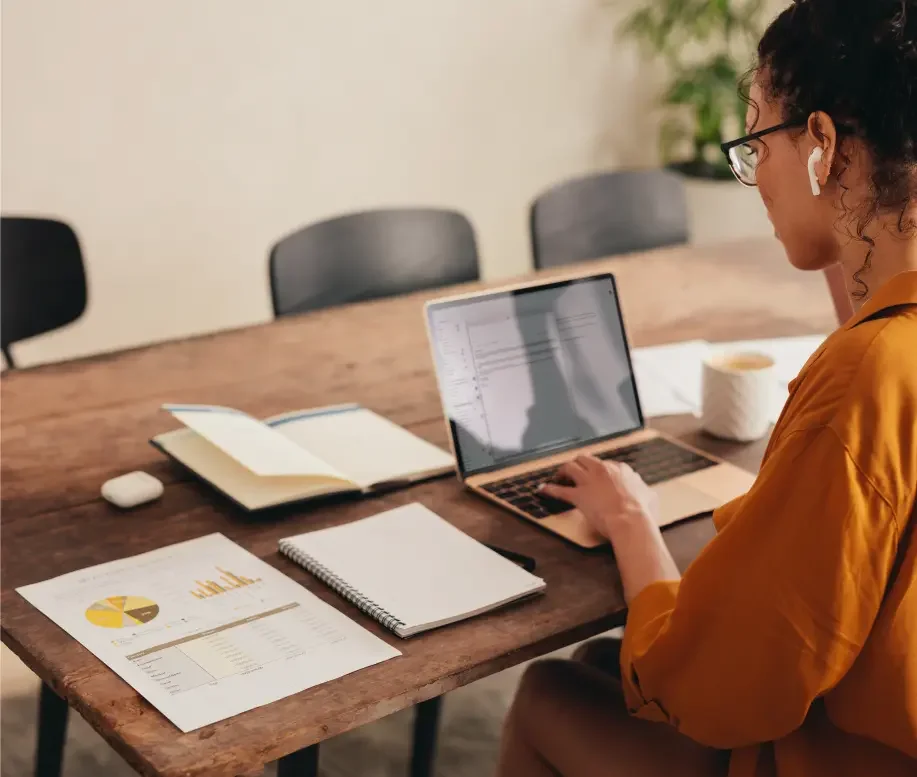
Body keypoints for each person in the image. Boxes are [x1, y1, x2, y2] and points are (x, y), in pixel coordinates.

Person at [496, 1, 917, 775]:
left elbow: (719, 684)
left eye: (757, 138)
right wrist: (846, 229)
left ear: (822, 144)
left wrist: (630, 524)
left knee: (548, 691)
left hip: (838, 757)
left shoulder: (868, 375)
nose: (756, 178)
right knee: (601, 661)